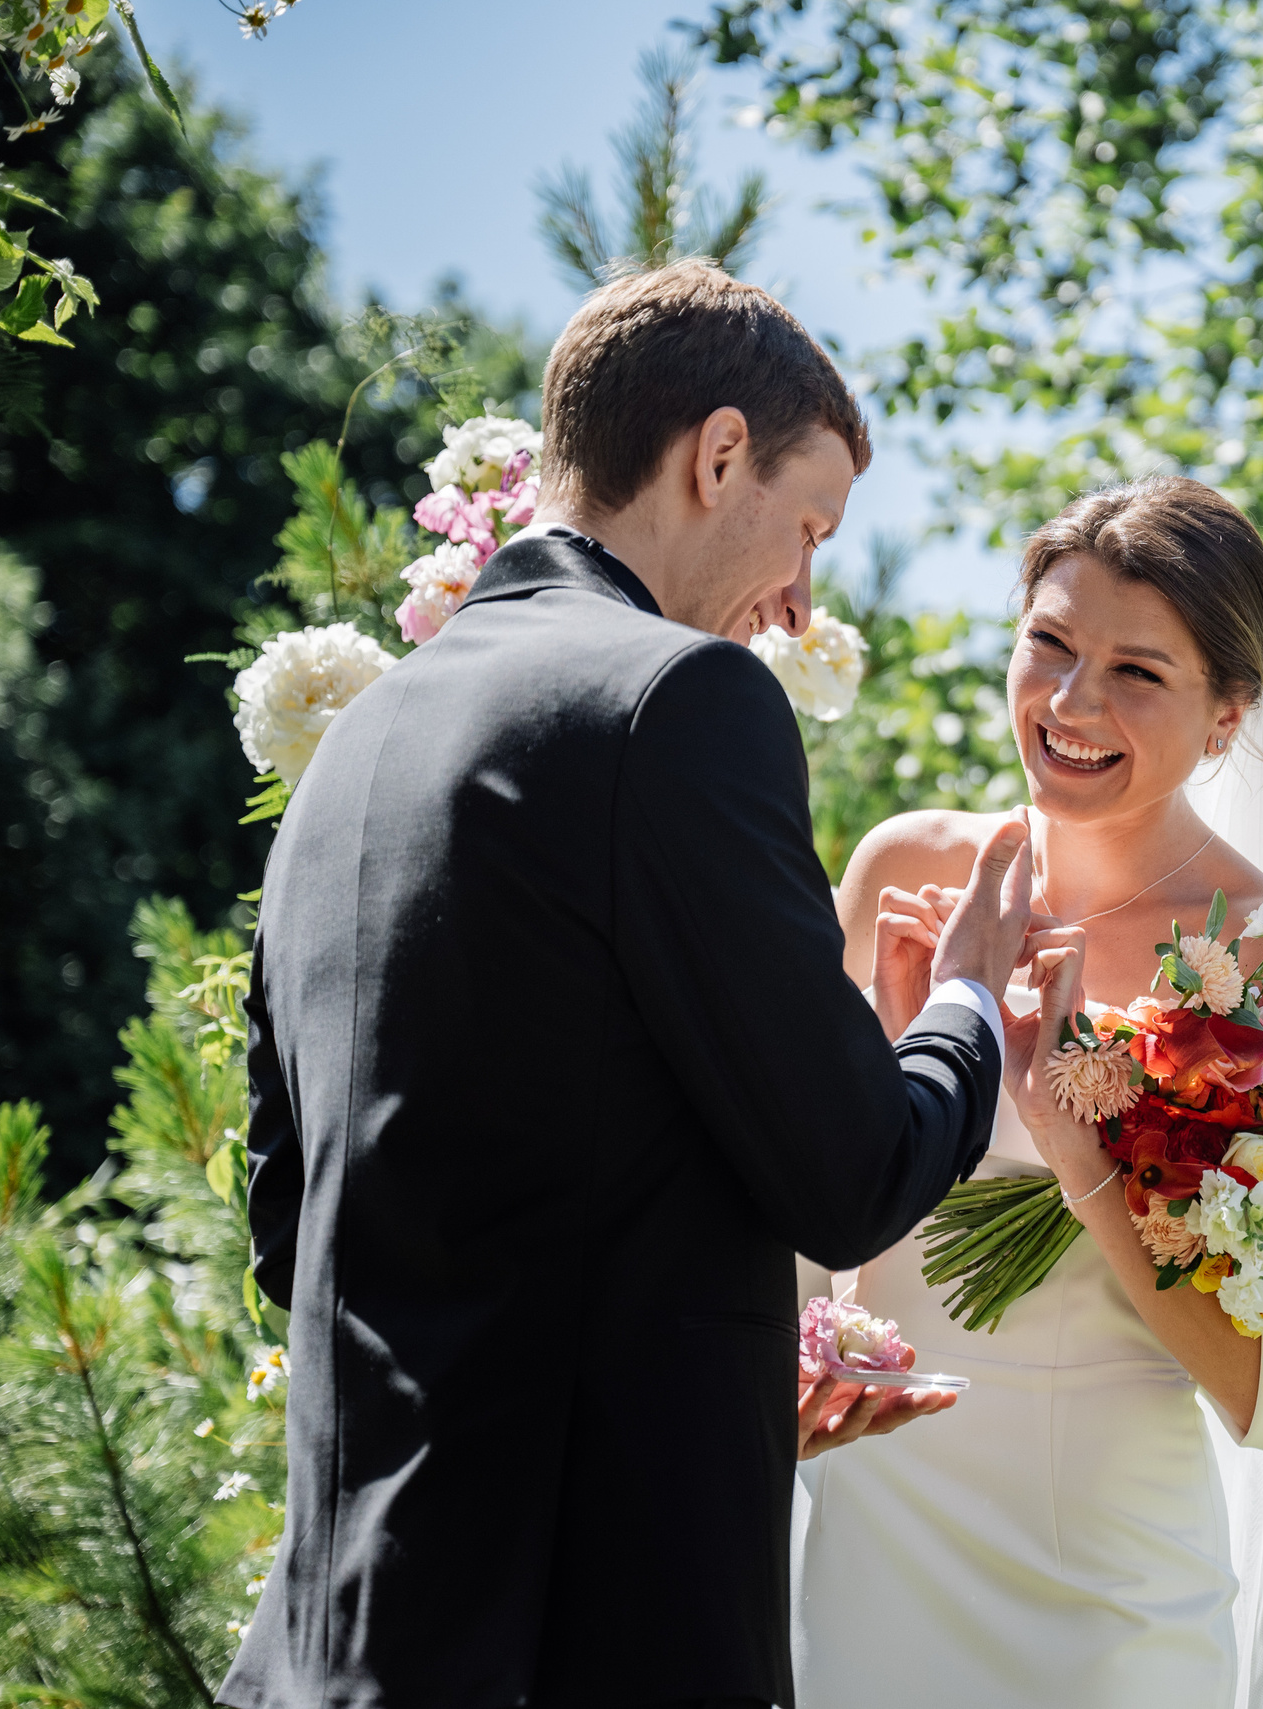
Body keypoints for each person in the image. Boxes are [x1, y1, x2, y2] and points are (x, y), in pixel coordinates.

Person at [219, 260, 1085, 1709]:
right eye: (808, 526)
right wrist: (971, 1004)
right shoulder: (678, 698)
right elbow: (856, 1170)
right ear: (719, 452)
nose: (800, 598)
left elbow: (288, 1227)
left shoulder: (353, 754)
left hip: (334, 1647)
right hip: (577, 1643)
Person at [793, 476, 1263, 1708]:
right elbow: (807, 1236)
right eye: (1048, 642)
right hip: (877, 1526)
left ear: (1225, 717)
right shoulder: (904, 864)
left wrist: (1076, 1141)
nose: (1071, 701)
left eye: (1138, 672)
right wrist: (901, 1055)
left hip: (1109, 1580)